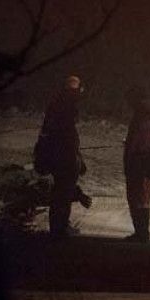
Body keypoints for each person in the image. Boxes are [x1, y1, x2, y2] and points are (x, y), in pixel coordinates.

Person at [35, 75, 86, 240]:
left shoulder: (58, 105)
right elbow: (67, 138)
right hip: (64, 156)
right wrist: (76, 157)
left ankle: (59, 226)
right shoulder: (66, 107)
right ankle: (59, 228)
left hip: (60, 156)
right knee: (63, 193)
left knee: (61, 191)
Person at [123, 86, 150, 242]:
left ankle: (140, 232)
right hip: (149, 160)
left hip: (137, 161)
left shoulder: (139, 118)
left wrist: (127, 158)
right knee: (145, 198)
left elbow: (134, 142)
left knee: (135, 197)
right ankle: (143, 232)